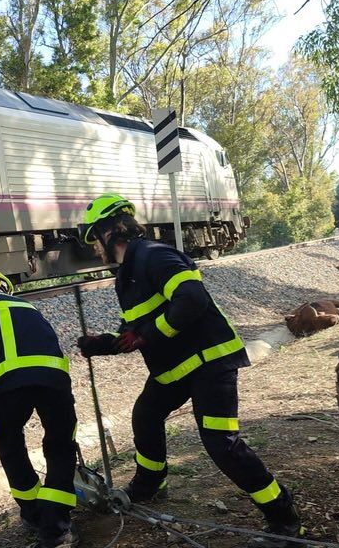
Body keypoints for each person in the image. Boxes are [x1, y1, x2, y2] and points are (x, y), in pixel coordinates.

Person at [75, 193, 303, 547]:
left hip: (211, 361)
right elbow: (132, 335)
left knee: (221, 443)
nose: (95, 250)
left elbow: (192, 300)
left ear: (109, 232)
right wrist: (102, 345)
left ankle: (284, 517)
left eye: (95, 239)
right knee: (146, 414)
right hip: (179, 368)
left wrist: (145, 335)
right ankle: (150, 484)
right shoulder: (129, 275)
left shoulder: (153, 256)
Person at [0, 268, 79, 548]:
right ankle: (57, 530)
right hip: (54, 381)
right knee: (60, 447)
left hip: (8, 388)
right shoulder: (27, 304)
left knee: (11, 446)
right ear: (6, 287)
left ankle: (34, 514)